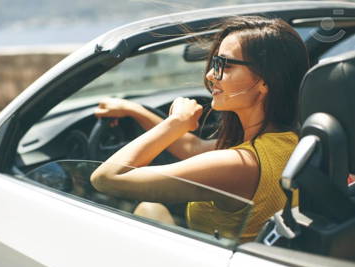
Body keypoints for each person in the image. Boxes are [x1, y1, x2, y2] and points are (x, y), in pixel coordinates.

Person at [90, 16, 309, 242]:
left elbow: (106, 178)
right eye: (214, 63)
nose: (210, 76)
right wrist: (134, 110)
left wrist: (174, 123)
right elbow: (195, 148)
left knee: (149, 209)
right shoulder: (290, 141)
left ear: (265, 81)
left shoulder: (238, 165)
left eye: (225, 65)